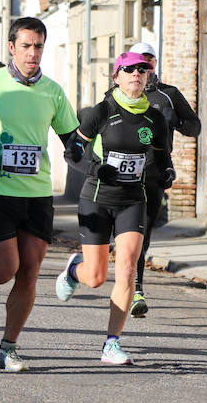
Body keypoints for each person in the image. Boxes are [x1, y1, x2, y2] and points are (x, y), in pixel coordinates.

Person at [0, 17, 79, 371]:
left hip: (37, 193)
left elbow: (71, 138)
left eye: (38, 46)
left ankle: (8, 348)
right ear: (11, 47)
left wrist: (85, 154)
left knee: (30, 272)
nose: (32, 53)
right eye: (26, 45)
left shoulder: (52, 91)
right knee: (6, 268)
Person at [56, 52, 172, 364]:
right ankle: (73, 269)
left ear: (148, 77)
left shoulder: (155, 118)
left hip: (133, 201)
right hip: (96, 197)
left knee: (126, 270)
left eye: (143, 70)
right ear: (116, 76)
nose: (137, 74)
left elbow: (160, 154)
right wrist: (96, 169)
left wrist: (168, 170)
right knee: (94, 277)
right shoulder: (102, 111)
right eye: (129, 69)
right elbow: (72, 152)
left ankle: (112, 343)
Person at [124, 42, 201, 317]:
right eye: (137, 62)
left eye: (148, 61)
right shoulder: (117, 92)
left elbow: (195, 127)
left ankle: (136, 288)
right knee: (128, 231)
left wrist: (172, 122)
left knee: (142, 234)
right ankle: (129, 284)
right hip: (123, 174)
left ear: (154, 64)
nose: (142, 68)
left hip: (155, 172)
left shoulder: (168, 95)